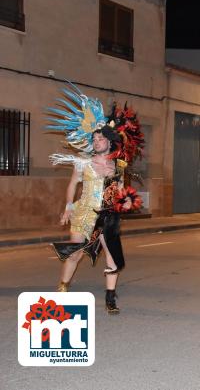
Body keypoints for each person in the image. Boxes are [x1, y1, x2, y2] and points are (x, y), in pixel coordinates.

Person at [47, 84, 144, 314]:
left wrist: (127, 201)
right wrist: (68, 207)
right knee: (75, 252)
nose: (97, 140)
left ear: (110, 141)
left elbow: (121, 192)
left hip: (107, 217)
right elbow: (73, 185)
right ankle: (63, 287)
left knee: (111, 254)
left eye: (101, 138)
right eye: (95, 138)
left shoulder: (118, 166)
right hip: (83, 213)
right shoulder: (83, 162)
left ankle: (110, 297)